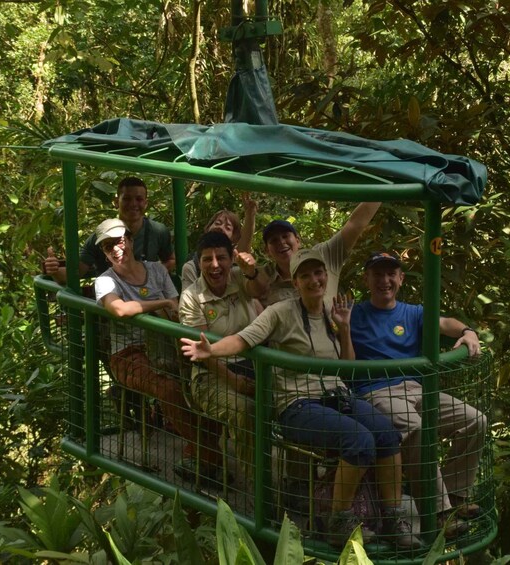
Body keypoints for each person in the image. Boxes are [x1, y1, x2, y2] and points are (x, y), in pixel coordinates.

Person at [181, 249, 421, 549]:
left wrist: (344, 328)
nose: (314, 280)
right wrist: (211, 350)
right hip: (297, 405)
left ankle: (393, 519)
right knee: (359, 441)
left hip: (335, 396)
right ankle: (339, 520)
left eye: (318, 273)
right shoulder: (280, 312)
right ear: (295, 282)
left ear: (326, 276)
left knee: (386, 434)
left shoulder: (333, 314)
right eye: (305, 275)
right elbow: (244, 338)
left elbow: (346, 369)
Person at [348, 251, 486, 538]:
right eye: (377, 274)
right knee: (412, 424)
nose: (384, 280)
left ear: (400, 278)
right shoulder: (354, 313)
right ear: (367, 279)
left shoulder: (412, 312)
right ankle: (438, 512)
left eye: (390, 274)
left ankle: (455, 496)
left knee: (476, 420)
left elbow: (445, 322)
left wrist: (468, 332)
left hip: (415, 389)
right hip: (376, 392)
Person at [92, 218, 225, 483]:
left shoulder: (155, 270)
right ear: (106, 255)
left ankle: (199, 448)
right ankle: (207, 452)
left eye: (119, 242)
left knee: (206, 377)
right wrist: (160, 302)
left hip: (165, 343)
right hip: (128, 353)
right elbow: (119, 309)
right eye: (108, 247)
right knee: (168, 388)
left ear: (129, 240)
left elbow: (176, 311)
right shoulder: (105, 281)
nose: (117, 250)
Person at [178, 231, 269, 474]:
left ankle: (297, 481)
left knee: (291, 399)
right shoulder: (190, 297)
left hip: (253, 366)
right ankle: (259, 489)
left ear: (232, 259)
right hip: (211, 375)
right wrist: (234, 382)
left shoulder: (239, 278)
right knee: (245, 410)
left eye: (221, 258)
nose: (215, 265)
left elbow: (261, 290)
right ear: (199, 263)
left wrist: (252, 271)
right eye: (207, 259)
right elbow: (203, 351)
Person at [44, 176, 175, 283]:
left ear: (145, 203)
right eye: (127, 199)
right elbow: (74, 274)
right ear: (116, 202)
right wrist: (54, 270)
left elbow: (171, 260)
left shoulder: (157, 231)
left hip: (147, 296)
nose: (133, 204)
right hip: (114, 299)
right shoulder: (101, 236)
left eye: (139, 199)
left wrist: (151, 275)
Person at [258, 202, 381, 307]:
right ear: (267, 251)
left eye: (285, 236)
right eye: (274, 240)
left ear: (297, 240)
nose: (281, 242)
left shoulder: (323, 254)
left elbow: (355, 224)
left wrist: (385, 184)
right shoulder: (261, 278)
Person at [180, 193, 257, 290]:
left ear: (234, 239)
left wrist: (250, 214)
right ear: (208, 228)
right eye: (218, 223)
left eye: (228, 228)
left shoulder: (235, 260)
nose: (220, 228)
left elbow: (243, 248)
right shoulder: (192, 267)